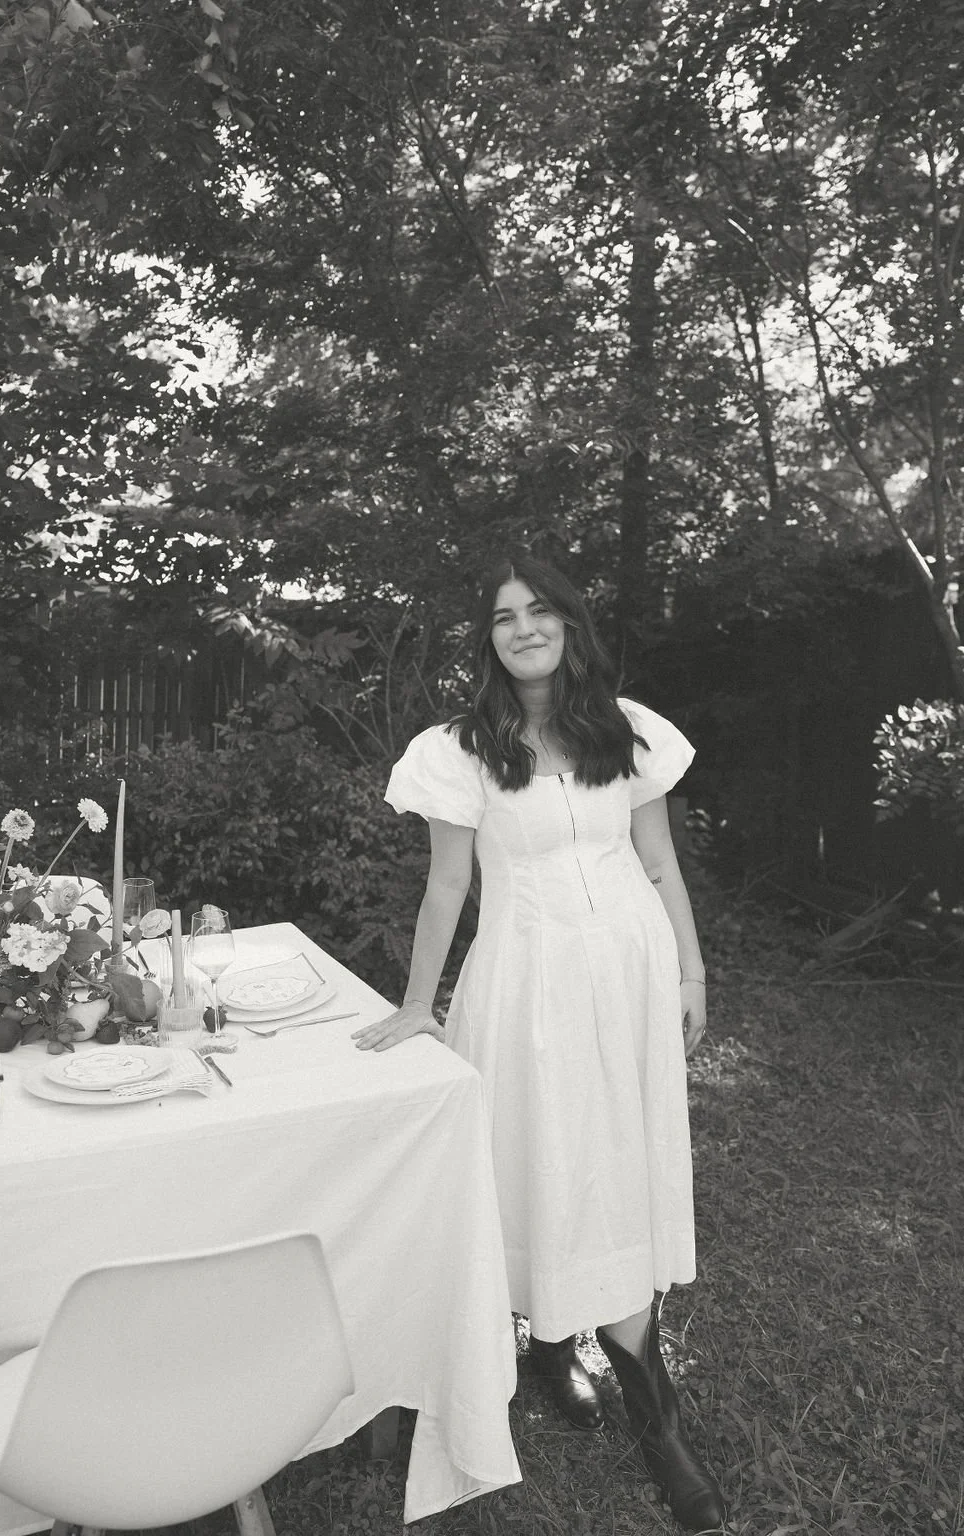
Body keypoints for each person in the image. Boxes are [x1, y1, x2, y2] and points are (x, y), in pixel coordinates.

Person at [353, 555, 726, 1532]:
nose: (521, 626)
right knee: (539, 1157)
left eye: (538, 610)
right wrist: (416, 1004)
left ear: (568, 621)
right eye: (502, 615)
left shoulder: (630, 729)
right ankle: (551, 1345)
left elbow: (658, 862)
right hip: (522, 983)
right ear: (487, 638)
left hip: (631, 980)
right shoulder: (460, 748)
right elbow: (444, 888)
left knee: (618, 1158)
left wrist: (689, 971)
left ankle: (655, 1425)